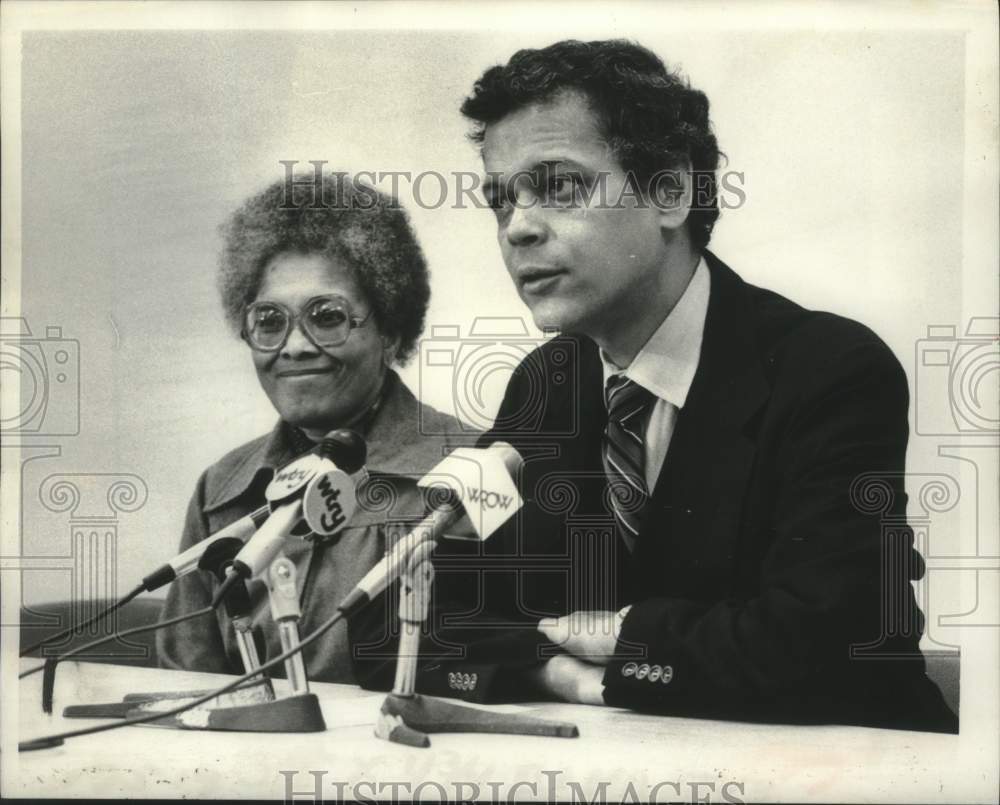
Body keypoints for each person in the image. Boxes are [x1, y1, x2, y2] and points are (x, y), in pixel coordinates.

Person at [415, 39, 957, 732]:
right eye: (501, 200)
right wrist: (575, 679)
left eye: (559, 185)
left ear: (670, 192)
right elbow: (439, 621)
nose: (518, 227)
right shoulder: (546, 385)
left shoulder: (831, 369)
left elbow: (830, 640)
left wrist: (623, 643)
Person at [157, 172, 468, 685]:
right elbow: (184, 686)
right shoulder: (221, 491)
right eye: (269, 321)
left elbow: (505, 670)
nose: (294, 346)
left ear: (390, 330)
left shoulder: (471, 471)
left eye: (326, 316)